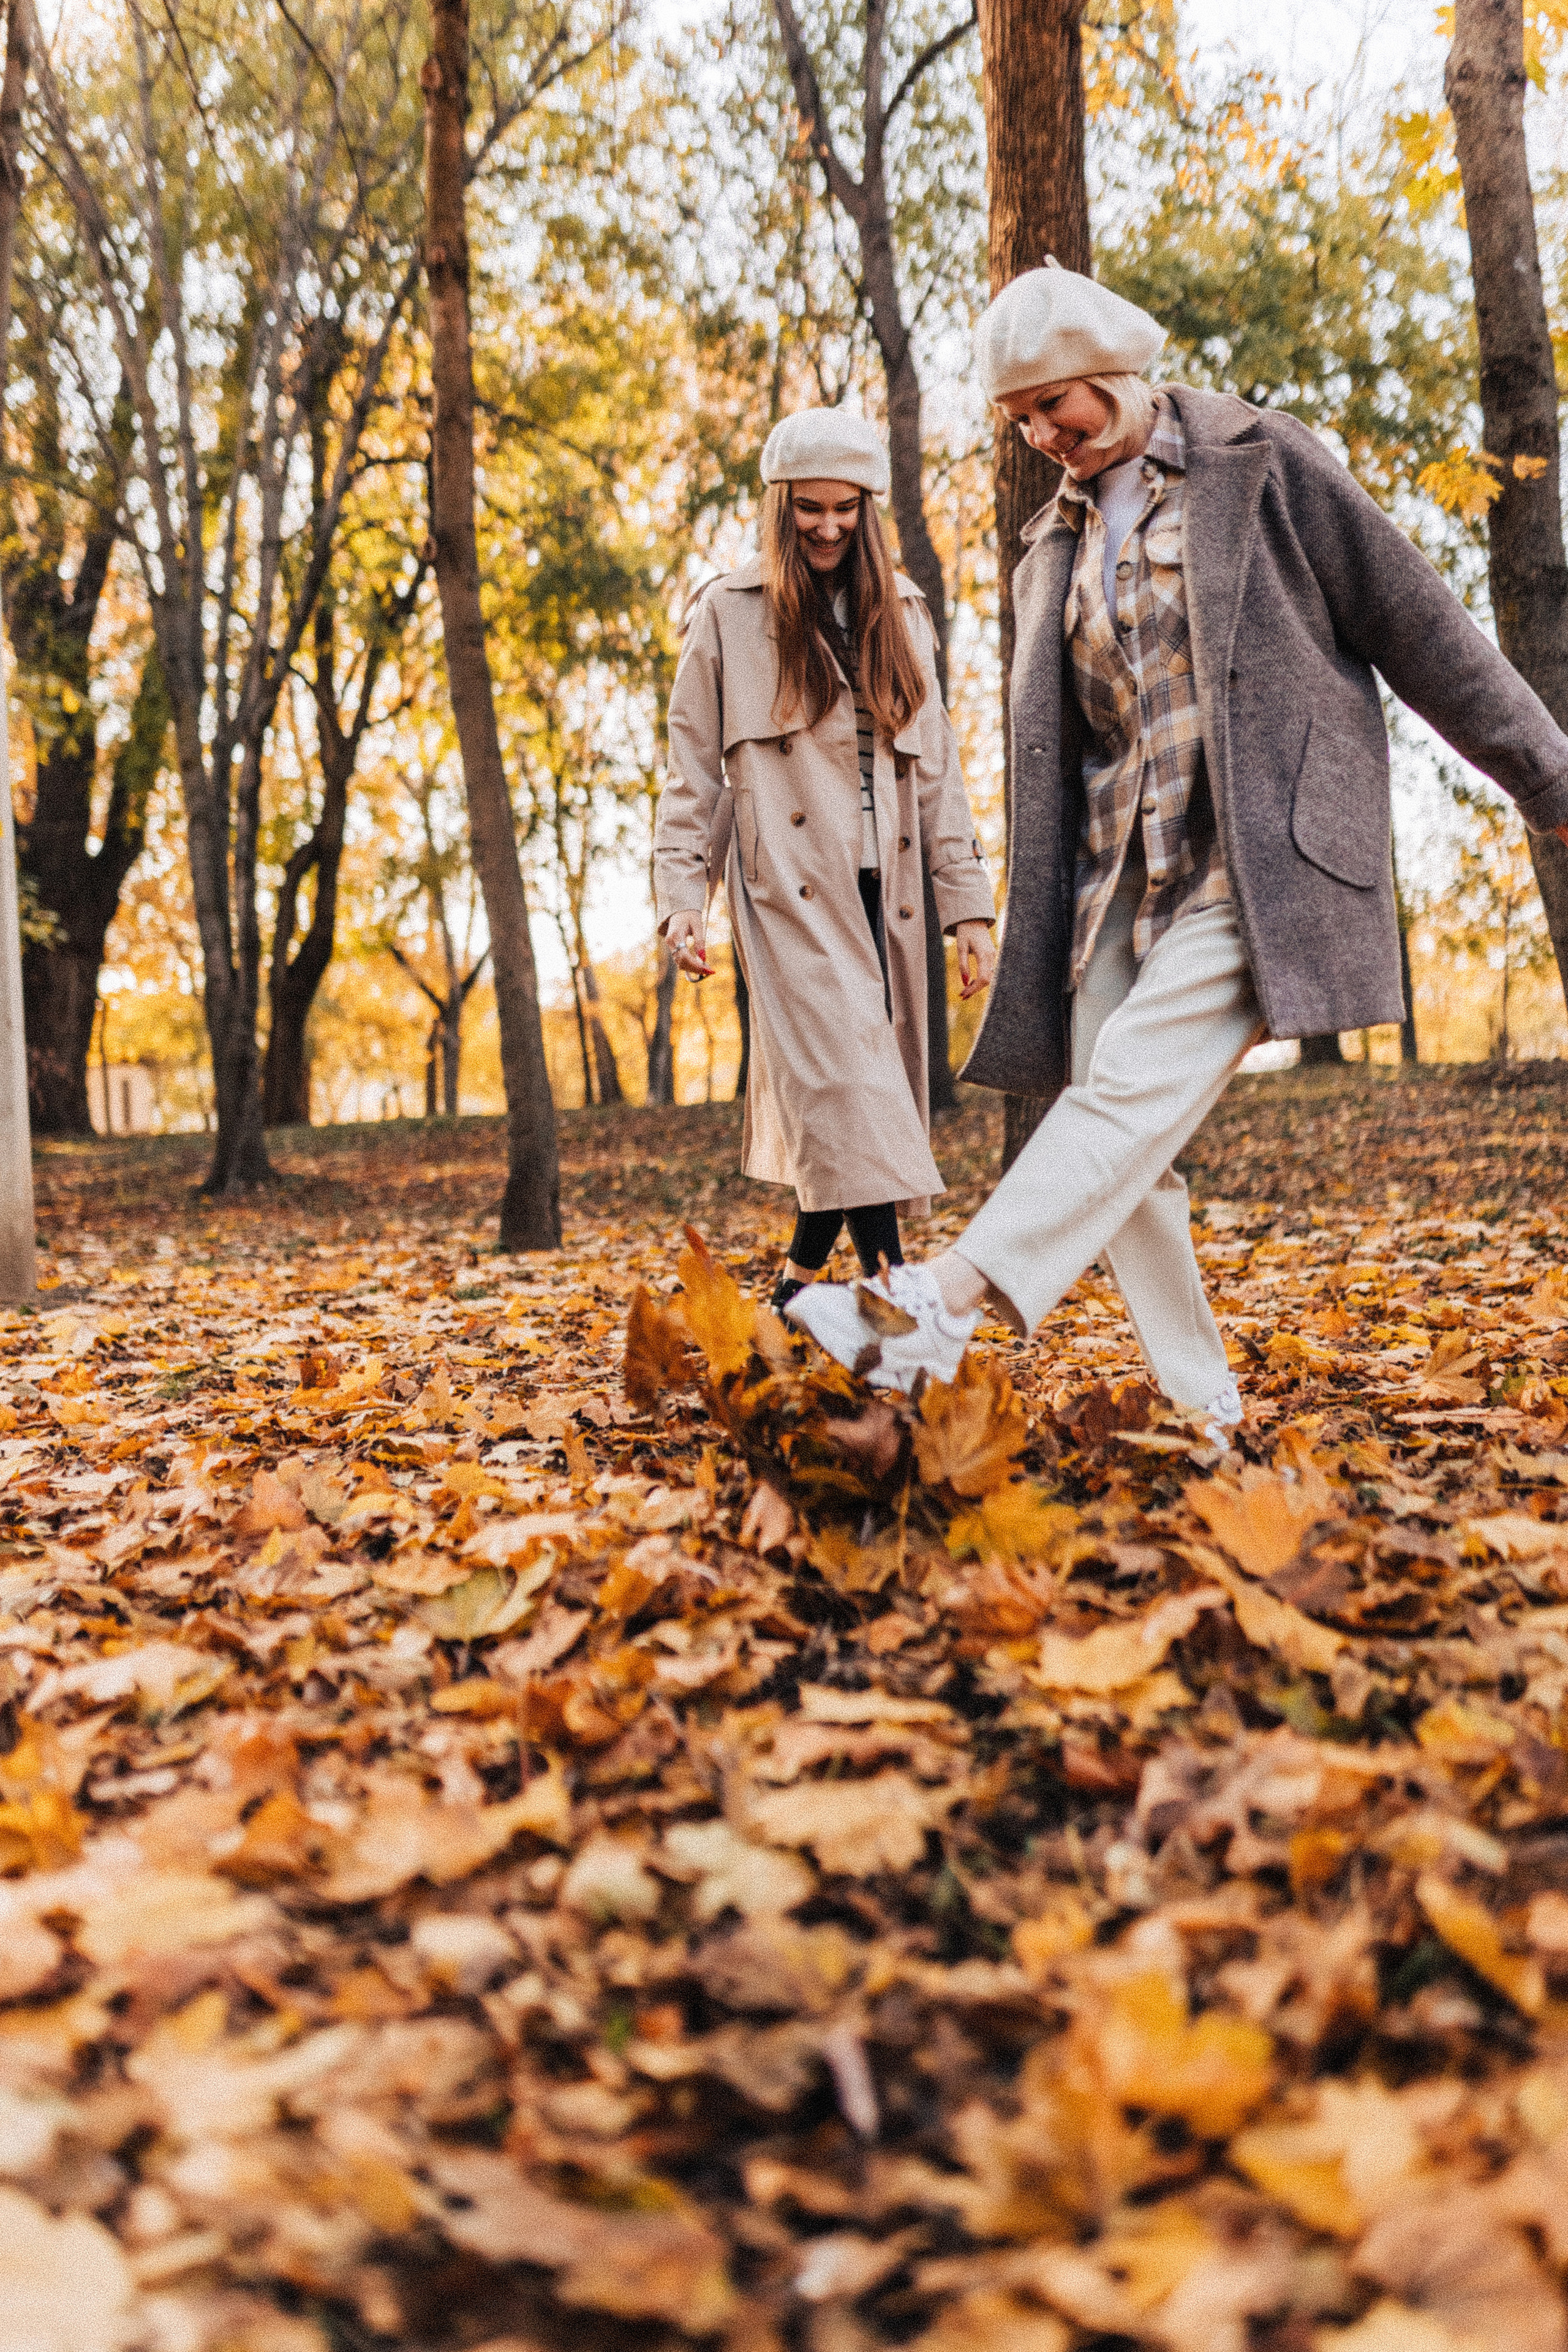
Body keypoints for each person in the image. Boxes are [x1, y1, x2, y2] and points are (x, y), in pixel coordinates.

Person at [789, 260, 1568, 1431]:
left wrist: (1545, 774)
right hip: (1120, 876)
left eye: (1056, 406)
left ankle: (934, 1309)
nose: (1044, 435)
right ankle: (1208, 1414)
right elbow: (1067, 746)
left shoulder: (1264, 464)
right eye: (1020, 420)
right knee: (1125, 1148)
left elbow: (1423, 626)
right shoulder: (1046, 545)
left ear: (1110, 369)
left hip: (1264, 859)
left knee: (1116, 1107)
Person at [654, 408, 996, 1312]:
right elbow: (691, 771)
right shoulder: (727, 616)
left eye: (846, 509)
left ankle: (793, 1298)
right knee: (853, 1089)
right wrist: (680, 900)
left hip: (891, 890)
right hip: (790, 894)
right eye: (810, 509)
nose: (829, 527)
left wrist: (969, 910)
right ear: (781, 507)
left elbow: (937, 767)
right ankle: (896, 1307)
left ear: (869, 510)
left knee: (859, 1103)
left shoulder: (905, 614)